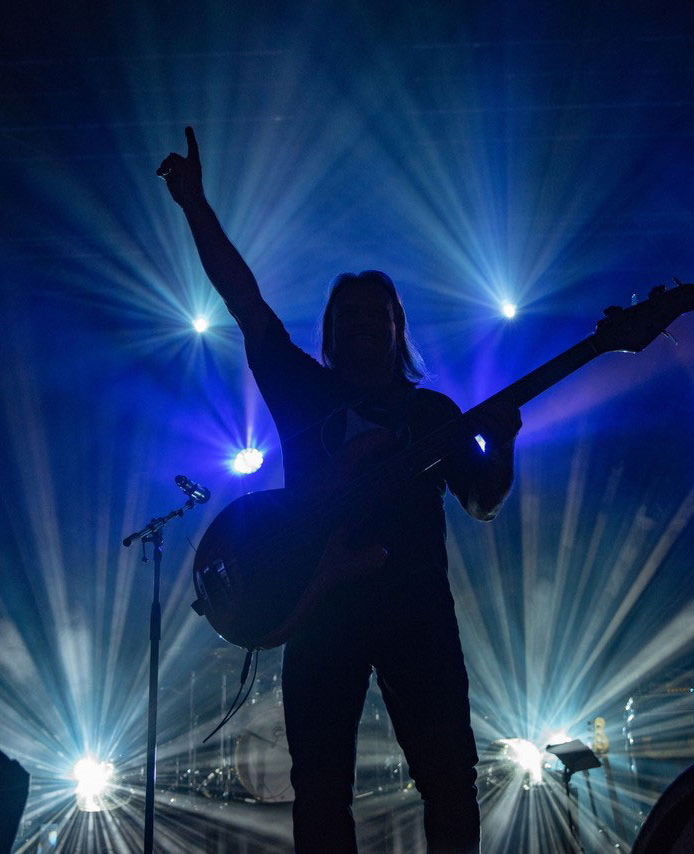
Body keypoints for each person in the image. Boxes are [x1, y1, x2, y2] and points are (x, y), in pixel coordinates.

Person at [160, 125, 520, 853]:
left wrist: (504, 444)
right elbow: (244, 301)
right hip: (320, 605)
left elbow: (482, 501)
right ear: (331, 333)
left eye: (375, 317)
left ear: (397, 330)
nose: (362, 329)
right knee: (321, 786)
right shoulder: (304, 394)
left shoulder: (431, 414)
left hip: (417, 612)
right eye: (348, 319)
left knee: (448, 776)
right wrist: (195, 206)